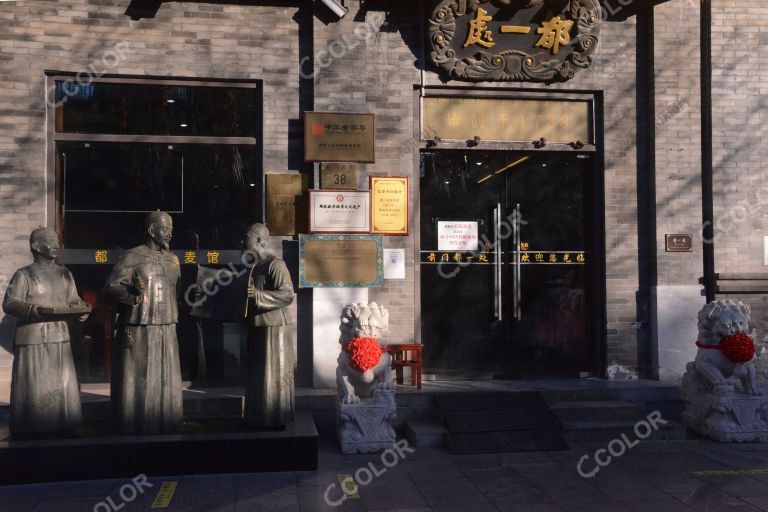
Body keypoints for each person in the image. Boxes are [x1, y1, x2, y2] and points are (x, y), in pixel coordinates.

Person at [3, 227, 90, 434]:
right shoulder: (24, 274)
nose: (55, 245)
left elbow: (73, 300)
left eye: (56, 240)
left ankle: (64, 423)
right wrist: (35, 310)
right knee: (33, 386)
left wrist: (82, 309)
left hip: (59, 334)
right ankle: (32, 425)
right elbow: (9, 303)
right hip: (32, 337)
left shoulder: (64, 274)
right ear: (35, 246)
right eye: (50, 241)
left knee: (62, 384)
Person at [104, 211, 182, 434]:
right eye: (165, 229)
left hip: (167, 326)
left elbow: (175, 289)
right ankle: (135, 421)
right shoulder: (132, 256)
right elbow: (111, 286)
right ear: (151, 230)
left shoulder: (173, 259)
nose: (169, 235)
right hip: (141, 325)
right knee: (139, 376)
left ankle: (167, 419)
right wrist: (132, 295)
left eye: (171, 230)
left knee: (166, 376)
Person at [243, 223, 295, 428]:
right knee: (259, 374)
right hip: (258, 326)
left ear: (258, 240)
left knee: (273, 373)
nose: (241, 243)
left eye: (245, 238)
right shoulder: (254, 266)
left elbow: (287, 294)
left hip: (275, 328)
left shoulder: (275, 264)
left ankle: (275, 416)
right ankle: (258, 415)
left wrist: (257, 295)